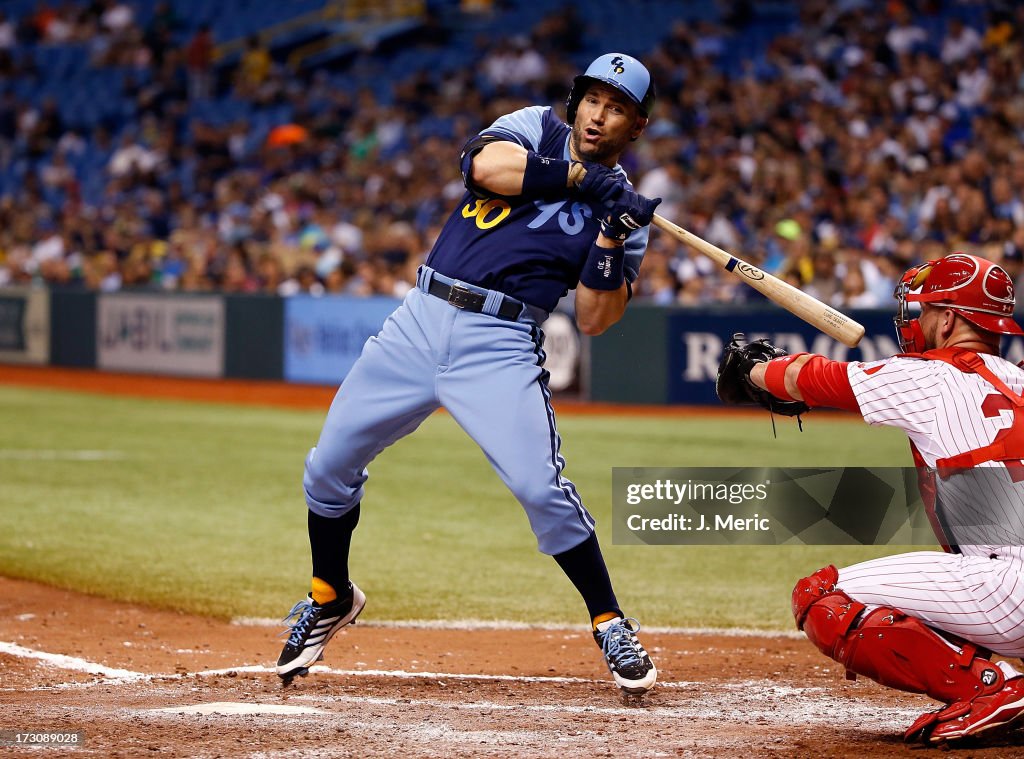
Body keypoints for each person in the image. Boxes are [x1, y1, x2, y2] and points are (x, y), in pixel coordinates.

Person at [276, 53, 662, 696]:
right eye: (594, 98)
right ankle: (328, 595)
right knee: (327, 467)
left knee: (542, 491)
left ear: (636, 126)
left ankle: (610, 621)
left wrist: (611, 239)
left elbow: (596, 319)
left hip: (501, 341)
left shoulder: (623, 213)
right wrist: (578, 180)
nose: (599, 115)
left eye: (617, 107)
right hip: (421, 318)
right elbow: (482, 166)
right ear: (576, 101)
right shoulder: (535, 127)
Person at [717, 253, 1024, 744]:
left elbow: (810, 379)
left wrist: (753, 370)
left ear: (948, 319)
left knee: (821, 597)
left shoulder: (930, 375)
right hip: (1011, 583)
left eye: (925, 310)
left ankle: (997, 688)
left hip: (1007, 586)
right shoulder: (1018, 379)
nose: (917, 320)